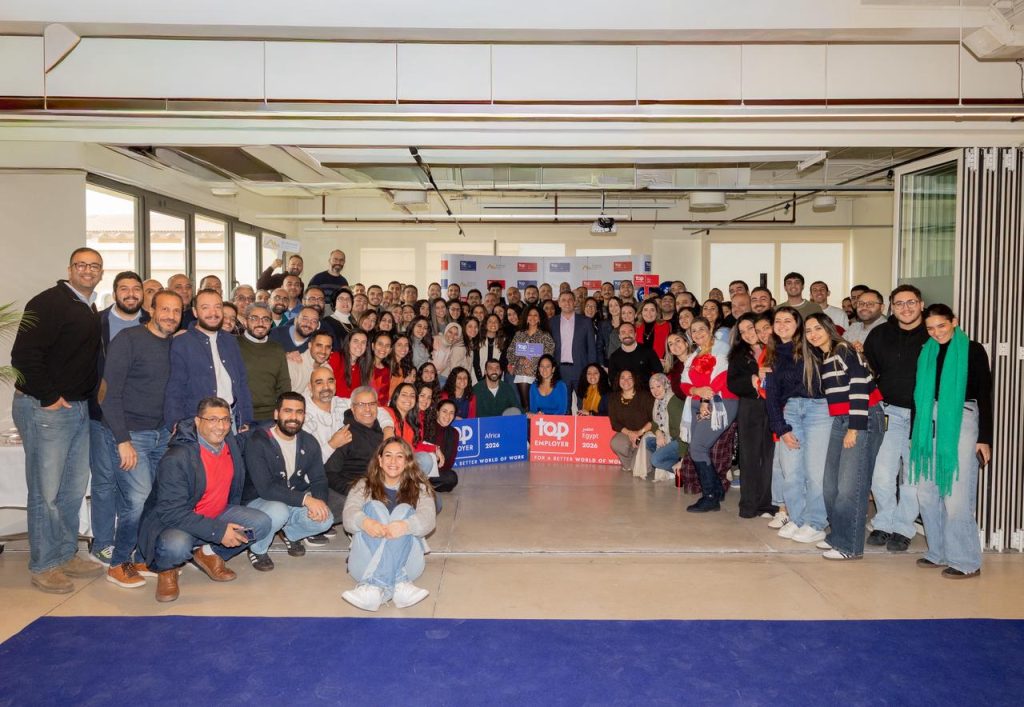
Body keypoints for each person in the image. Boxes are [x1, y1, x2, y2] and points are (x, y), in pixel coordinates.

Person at [11, 248, 106, 593]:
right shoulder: (48, 302)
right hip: (46, 408)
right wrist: (50, 397)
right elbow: (23, 356)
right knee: (45, 492)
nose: (87, 270)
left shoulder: (87, 306)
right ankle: (44, 564)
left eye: (94, 266)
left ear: (101, 272)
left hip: (77, 408)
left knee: (72, 489)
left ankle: (65, 554)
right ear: (69, 269)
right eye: (81, 265)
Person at [137, 397, 272, 602]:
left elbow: (251, 433)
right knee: (176, 545)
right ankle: (167, 569)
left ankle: (207, 553)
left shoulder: (229, 444)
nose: (221, 426)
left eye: (225, 420)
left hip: (217, 513)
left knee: (260, 524)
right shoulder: (177, 458)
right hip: (179, 523)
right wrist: (218, 531)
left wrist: (277, 422)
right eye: (213, 419)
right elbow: (171, 512)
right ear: (198, 421)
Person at [99, 289, 181, 588]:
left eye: (176, 311)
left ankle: (142, 557)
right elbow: (107, 394)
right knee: (137, 499)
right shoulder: (129, 340)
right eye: (165, 309)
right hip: (131, 435)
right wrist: (122, 440)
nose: (170, 316)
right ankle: (118, 562)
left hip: (162, 435)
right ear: (151, 310)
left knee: (156, 499)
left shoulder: (175, 344)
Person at [910, 304, 992, 579]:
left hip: (962, 418)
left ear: (954, 322)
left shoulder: (972, 350)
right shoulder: (926, 351)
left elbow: (985, 394)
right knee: (926, 492)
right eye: (930, 328)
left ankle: (966, 561)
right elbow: (918, 396)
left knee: (956, 494)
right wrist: (914, 435)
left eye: (941, 326)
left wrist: (985, 438)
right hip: (928, 422)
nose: (936, 332)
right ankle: (939, 551)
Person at [801, 313, 883, 561]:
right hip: (842, 419)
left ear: (829, 328)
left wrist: (854, 428)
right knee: (830, 484)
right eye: (808, 330)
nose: (813, 334)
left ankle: (849, 546)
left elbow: (859, 387)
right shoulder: (826, 356)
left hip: (862, 417)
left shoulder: (843, 350)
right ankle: (838, 536)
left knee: (850, 486)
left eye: (818, 328)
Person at [862, 284, 929, 552]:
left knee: (913, 476)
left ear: (921, 304)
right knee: (881, 474)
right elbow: (868, 370)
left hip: (921, 415)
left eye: (911, 302)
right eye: (899, 303)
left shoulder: (932, 333)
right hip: (888, 412)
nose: (905, 308)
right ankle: (884, 523)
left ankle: (903, 528)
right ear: (891, 307)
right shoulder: (880, 334)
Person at [88, 270, 147, 565]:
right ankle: (102, 543)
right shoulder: (96, 323)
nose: (131, 294)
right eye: (124, 289)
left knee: (134, 487)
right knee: (104, 482)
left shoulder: (152, 322)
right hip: (101, 414)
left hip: (138, 420)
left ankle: (130, 542)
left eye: (136, 289)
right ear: (114, 293)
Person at [341, 438, 436, 612]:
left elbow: (429, 520)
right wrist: (365, 522)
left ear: (407, 461)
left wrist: (405, 525)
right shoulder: (364, 485)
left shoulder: (420, 487)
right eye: (388, 455)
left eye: (399, 456)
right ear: (380, 460)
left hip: (409, 564)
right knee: (373, 507)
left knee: (404, 510)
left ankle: (373, 589)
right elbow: (348, 517)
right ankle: (400, 584)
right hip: (365, 563)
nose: (393, 461)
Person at [242, 393, 334, 570]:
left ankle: (290, 534)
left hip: (290, 499)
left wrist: (319, 502)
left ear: (304, 416)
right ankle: (257, 548)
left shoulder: (309, 441)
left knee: (325, 519)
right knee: (279, 511)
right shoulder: (258, 441)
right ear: (276, 414)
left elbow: (319, 479)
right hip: (258, 500)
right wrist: (306, 500)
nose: (293, 417)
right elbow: (266, 489)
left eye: (299, 412)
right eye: (288, 411)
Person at [764, 307, 830, 542]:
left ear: (798, 325)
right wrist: (781, 428)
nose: (782, 325)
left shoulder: (812, 348)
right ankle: (798, 518)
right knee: (791, 472)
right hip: (791, 411)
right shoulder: (773, 354)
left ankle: (816, 522)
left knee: (815, 473)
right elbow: (771, 395)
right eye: (778, 321)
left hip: (819, 410)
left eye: (788, 321)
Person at [164, 289, 254, 432]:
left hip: (232, 419)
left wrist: (246, 418)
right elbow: (175, 388)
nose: (213, 313)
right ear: (195, 312)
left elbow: (242, 382)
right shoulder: (182, 343)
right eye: (205, 307)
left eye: (217, 307)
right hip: (197, 423)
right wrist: (176, 423)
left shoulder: (231, 341)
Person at [678, 317, 738, 513]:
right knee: (697, 448)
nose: (697, 334)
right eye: (693, 331)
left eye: (701, 329)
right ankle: (717, 490)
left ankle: (710, 496)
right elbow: (683, 384)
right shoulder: (694, 355)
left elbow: (721, 377)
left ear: (710, 328)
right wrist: (696, 391)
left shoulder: (722, 348)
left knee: (698, 448)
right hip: (697, 404)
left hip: (720, 403)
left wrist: (705, 399)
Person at [727, 313, 777, 520]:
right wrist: (753, 378)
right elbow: (732, 384)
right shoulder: (738, 354)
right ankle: (748, 504)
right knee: (749, 457)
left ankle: (767, 503)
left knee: (769, 456)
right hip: (750, 407)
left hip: (774, 407)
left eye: (751, 328)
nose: (748, 334)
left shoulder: (775, 348)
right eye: (742, 331)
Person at [324, 386, 385, 518]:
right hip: (352, 487)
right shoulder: (345, 435)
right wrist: (353, 491)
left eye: (372, 404)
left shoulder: (382, 431)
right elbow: (329, 472)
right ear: (352, 408)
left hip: (379, 485)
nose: (367, 409)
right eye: (361, 404)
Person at [236, 302, 291, 423]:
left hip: (270, 417)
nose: (260, 323)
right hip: (240, 416)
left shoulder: (277, 349)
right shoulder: (234, 345)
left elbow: (284, 385)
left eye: (265, 319)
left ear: (271, 323)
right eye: (254, 318)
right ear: (245, 322)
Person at [507, 304, 556, 408]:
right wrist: (520, 360)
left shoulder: (545, 336)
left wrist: (533, 368)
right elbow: (510, 353)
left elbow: (549, 355)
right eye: (530, 315)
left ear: (539, 318)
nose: (532, 317)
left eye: (535, 315)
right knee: (525, 404)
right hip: (521, 373)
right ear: (526, 317)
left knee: (537, 404)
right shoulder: (519, 334)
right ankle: (527, 417)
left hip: (539, 373)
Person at [550, 291, 597, 396]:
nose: (567, 303)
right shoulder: (552, 322)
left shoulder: (586, 321)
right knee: (564, 404)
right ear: (559, 303)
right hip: (560, 371)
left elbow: (591, 348)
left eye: (570, 300)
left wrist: (592, 370)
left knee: (583, 403)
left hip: (581, 369)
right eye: (563, 300)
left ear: (575, 302)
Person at [608, 370, 653, 472]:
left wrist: (639, 433)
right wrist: (630, 433)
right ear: (618, 380)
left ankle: (638, 459)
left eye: (630, 378)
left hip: (646, 433)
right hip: (627, 433)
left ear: (635, 380)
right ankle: (629, 464)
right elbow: (615, 423)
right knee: (616, 443)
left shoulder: (646, 396)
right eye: (622, 378)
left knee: (641, 470)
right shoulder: (613, 398)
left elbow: (653, 420)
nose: (626, 381)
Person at [645, 373, 685, 481]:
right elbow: (654, 423)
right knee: (648, 441)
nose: (655, 391)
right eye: (652, 388)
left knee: (655, 460)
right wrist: (659, 433)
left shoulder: (673, 402)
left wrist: (683, 458)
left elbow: (683, 433)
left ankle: (684, 469)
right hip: (671, 437)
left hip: (682, 441)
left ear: (666, 385)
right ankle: (673, 465)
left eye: (658, 386)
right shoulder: (658, 401)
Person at [607, 322, 662, 392]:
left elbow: (659, 373)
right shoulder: (614, 357)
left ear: (635, 335)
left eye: (630, 332)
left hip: (646, 393)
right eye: (623, 332)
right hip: (624, 395)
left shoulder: (648, 351)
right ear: (619, 337)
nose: (627, 335)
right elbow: (613, 381)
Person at [288, 331, 333, 395]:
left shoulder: (328, 369)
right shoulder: (293, 365)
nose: (323, 351)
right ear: (310, 345)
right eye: (319, 346)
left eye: (327, 347)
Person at [329, 330, 369, 399]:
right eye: (355, 341)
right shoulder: (336, 358)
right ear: (348, 343)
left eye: (363, 342)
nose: (359, 346)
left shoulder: (363, 366)